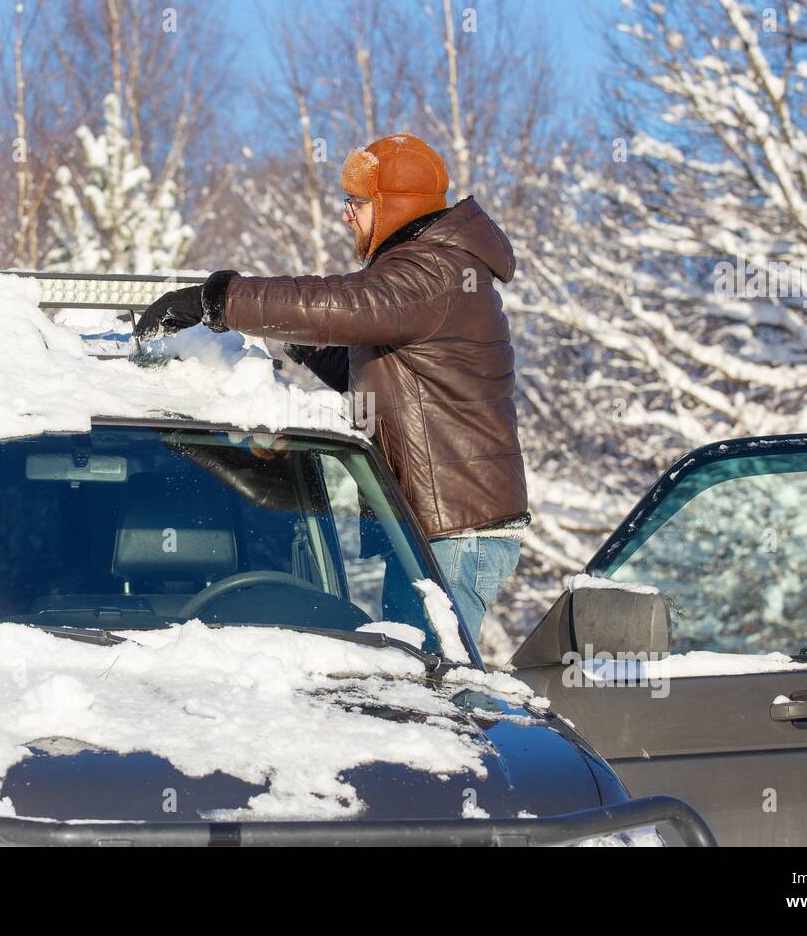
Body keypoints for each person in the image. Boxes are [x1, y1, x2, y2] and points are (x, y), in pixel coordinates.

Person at [134, 133, 527, 643]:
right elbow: (381, 375)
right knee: (412, 691)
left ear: (395, 208)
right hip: (436, 529)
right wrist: (307, 345)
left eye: (359, 202)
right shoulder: (431, 272)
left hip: (451, 534)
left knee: (426, 700)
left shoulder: (432, 271)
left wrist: (216, 301)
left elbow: (333, 302)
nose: (348, 215)